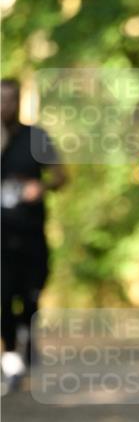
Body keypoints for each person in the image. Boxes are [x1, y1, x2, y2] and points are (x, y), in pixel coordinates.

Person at [1, 78, 67, 392]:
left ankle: (27, 342)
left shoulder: (35, 137)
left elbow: (61, 176)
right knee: (2, 298)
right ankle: (12, 359)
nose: (5, 106)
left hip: (30, 234)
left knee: (30, 298)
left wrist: (40, 188)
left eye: (10, 100)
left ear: (19, 101)